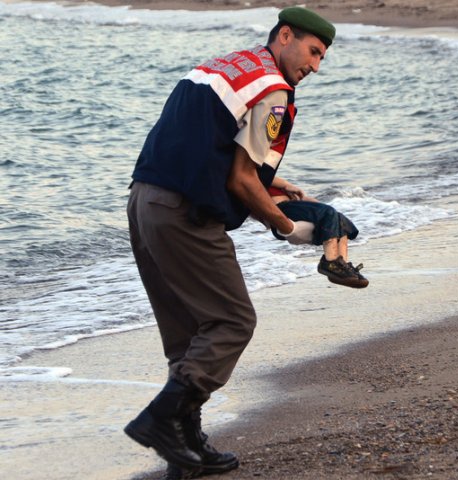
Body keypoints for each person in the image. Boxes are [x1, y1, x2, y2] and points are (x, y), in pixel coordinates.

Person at [124, 7, 336, 479]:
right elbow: (241, 181)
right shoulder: (275, 92)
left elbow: (207, 145)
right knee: (231, 321)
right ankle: (160, 420)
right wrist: (286, 227)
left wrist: (278, 186)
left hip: (144, 202)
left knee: (187, 334)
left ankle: (185, 451)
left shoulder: (226, 64)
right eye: (313, 51)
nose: (315, 67)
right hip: (184, 214)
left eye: (322, 58)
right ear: (285, 35)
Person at [268, 176, 368, 288]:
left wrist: (312, 203)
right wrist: (286, 185)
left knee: (338, 218)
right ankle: (330, 263)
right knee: (328, 212)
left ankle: (342, 267)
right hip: (280, 209)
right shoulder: (257, 175)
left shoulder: (274, 182)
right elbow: (262, 175)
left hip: (293, 206)